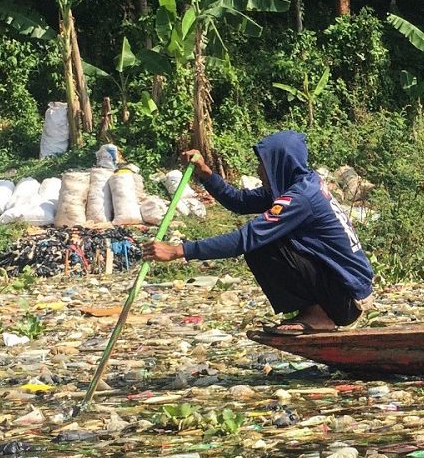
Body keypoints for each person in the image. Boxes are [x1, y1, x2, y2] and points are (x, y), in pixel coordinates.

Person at [142, 130, 373, 335]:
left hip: (348, 299)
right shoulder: (298, 183)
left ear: (279, 164)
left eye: (262, 163)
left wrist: (179, 251)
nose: (258, 169)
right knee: (262, 242)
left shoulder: (301, 197)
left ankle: (319, 316)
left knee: (261, 244)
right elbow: (240, 202)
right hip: (344, 291)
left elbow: (245, 239)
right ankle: (316, 310)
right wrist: (205, 173)